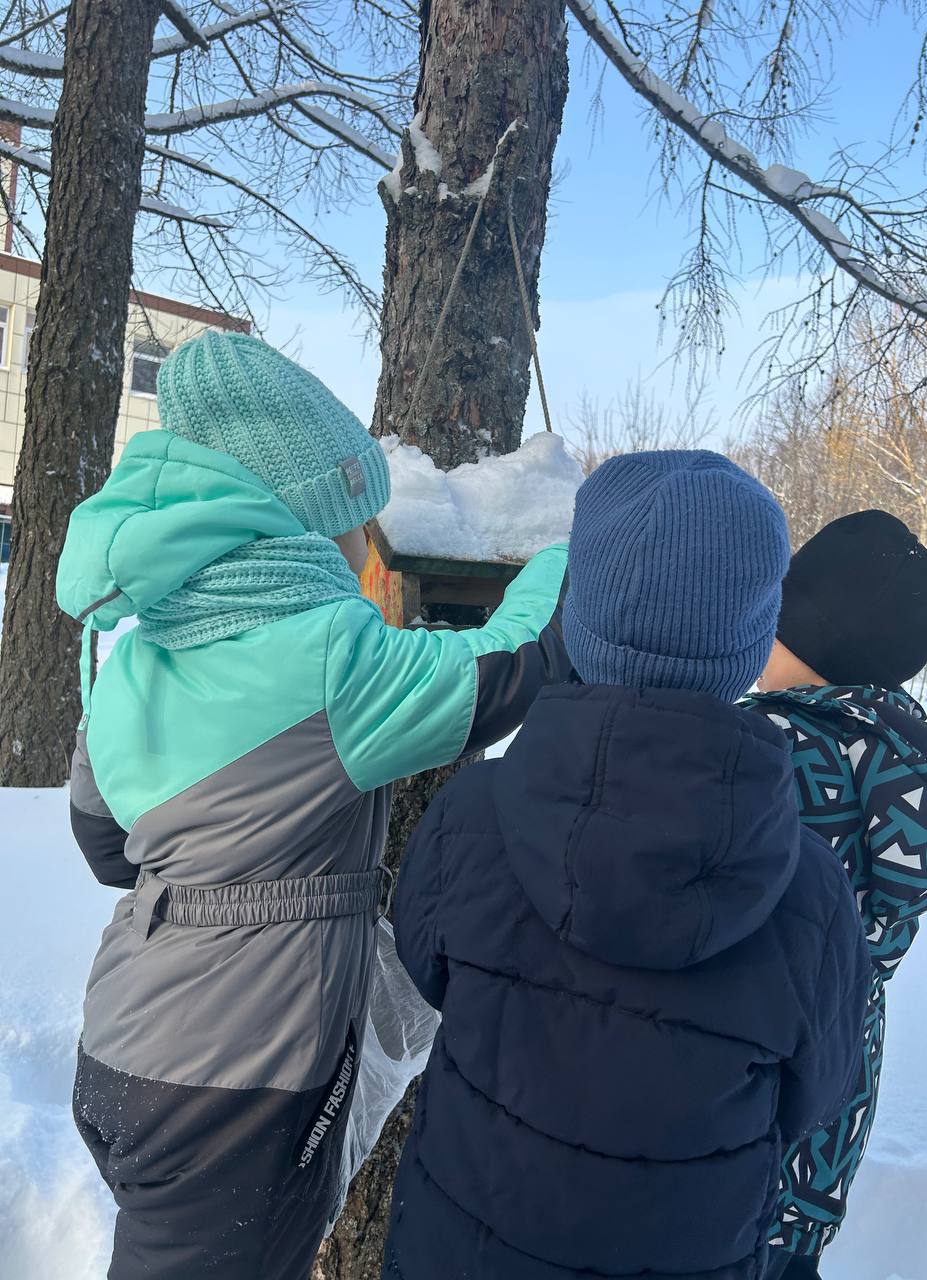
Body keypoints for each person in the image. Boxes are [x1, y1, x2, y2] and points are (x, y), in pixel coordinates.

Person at [57, 331, 570, 1280]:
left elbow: (104, 844)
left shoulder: (133, 653)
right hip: (236, 1080)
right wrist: (561, 561)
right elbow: (506, 670)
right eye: (354, 522)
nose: (366, 547)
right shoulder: (333, 656)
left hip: (126, 1039)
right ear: (300, 524)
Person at [382, 451, 872, 1280]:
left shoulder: (472, 816)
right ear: (753, 644)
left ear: (578, 617)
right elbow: (817, 1095)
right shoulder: (812, 895)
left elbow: (423, 968)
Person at [743, 510, 927, 1280]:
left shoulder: (775, 749)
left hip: (735, 1097)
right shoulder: (903, 761)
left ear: (813, 634)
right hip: (830, 1107)